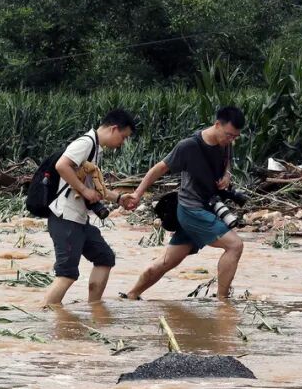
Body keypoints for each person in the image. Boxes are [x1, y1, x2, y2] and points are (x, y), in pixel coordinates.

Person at [121, 106, 246, 300]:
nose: (231, 140)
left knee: (167, 262)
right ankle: (223, 303)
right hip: (191, 209)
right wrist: (137, 194)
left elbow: (227, 159)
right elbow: (159, 168)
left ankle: (131, 295)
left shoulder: (226, 142)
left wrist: (227, 174)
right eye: (229, 135)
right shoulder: (188, 146)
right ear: (217, 125)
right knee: (235, 245)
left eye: (235, 137)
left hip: (207, 208)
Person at [42, 109, 137, 306]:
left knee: (104, 258)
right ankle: (45, 316)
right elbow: (62, 166)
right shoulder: (85, 143)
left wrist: (119, 198)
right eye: (123, 137)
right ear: (113, 129)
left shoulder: (95, 149)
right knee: (67, 274)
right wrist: (84, 191)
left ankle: (94, 308)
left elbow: (95, 189)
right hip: (65, 219)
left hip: (79, 220)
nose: (122, 143)